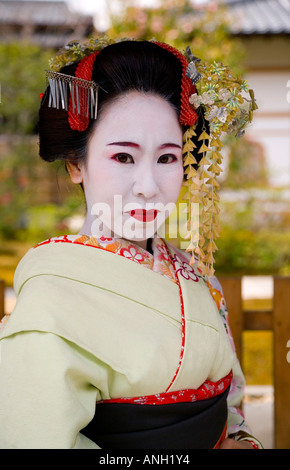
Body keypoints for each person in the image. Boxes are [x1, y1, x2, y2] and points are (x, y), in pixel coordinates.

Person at [0, 38, 262, 449]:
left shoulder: (197, 276)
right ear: (76, 164)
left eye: (167, 158)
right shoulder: (50, 296)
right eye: (123, 158)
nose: (147, 187)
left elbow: (231, 408)